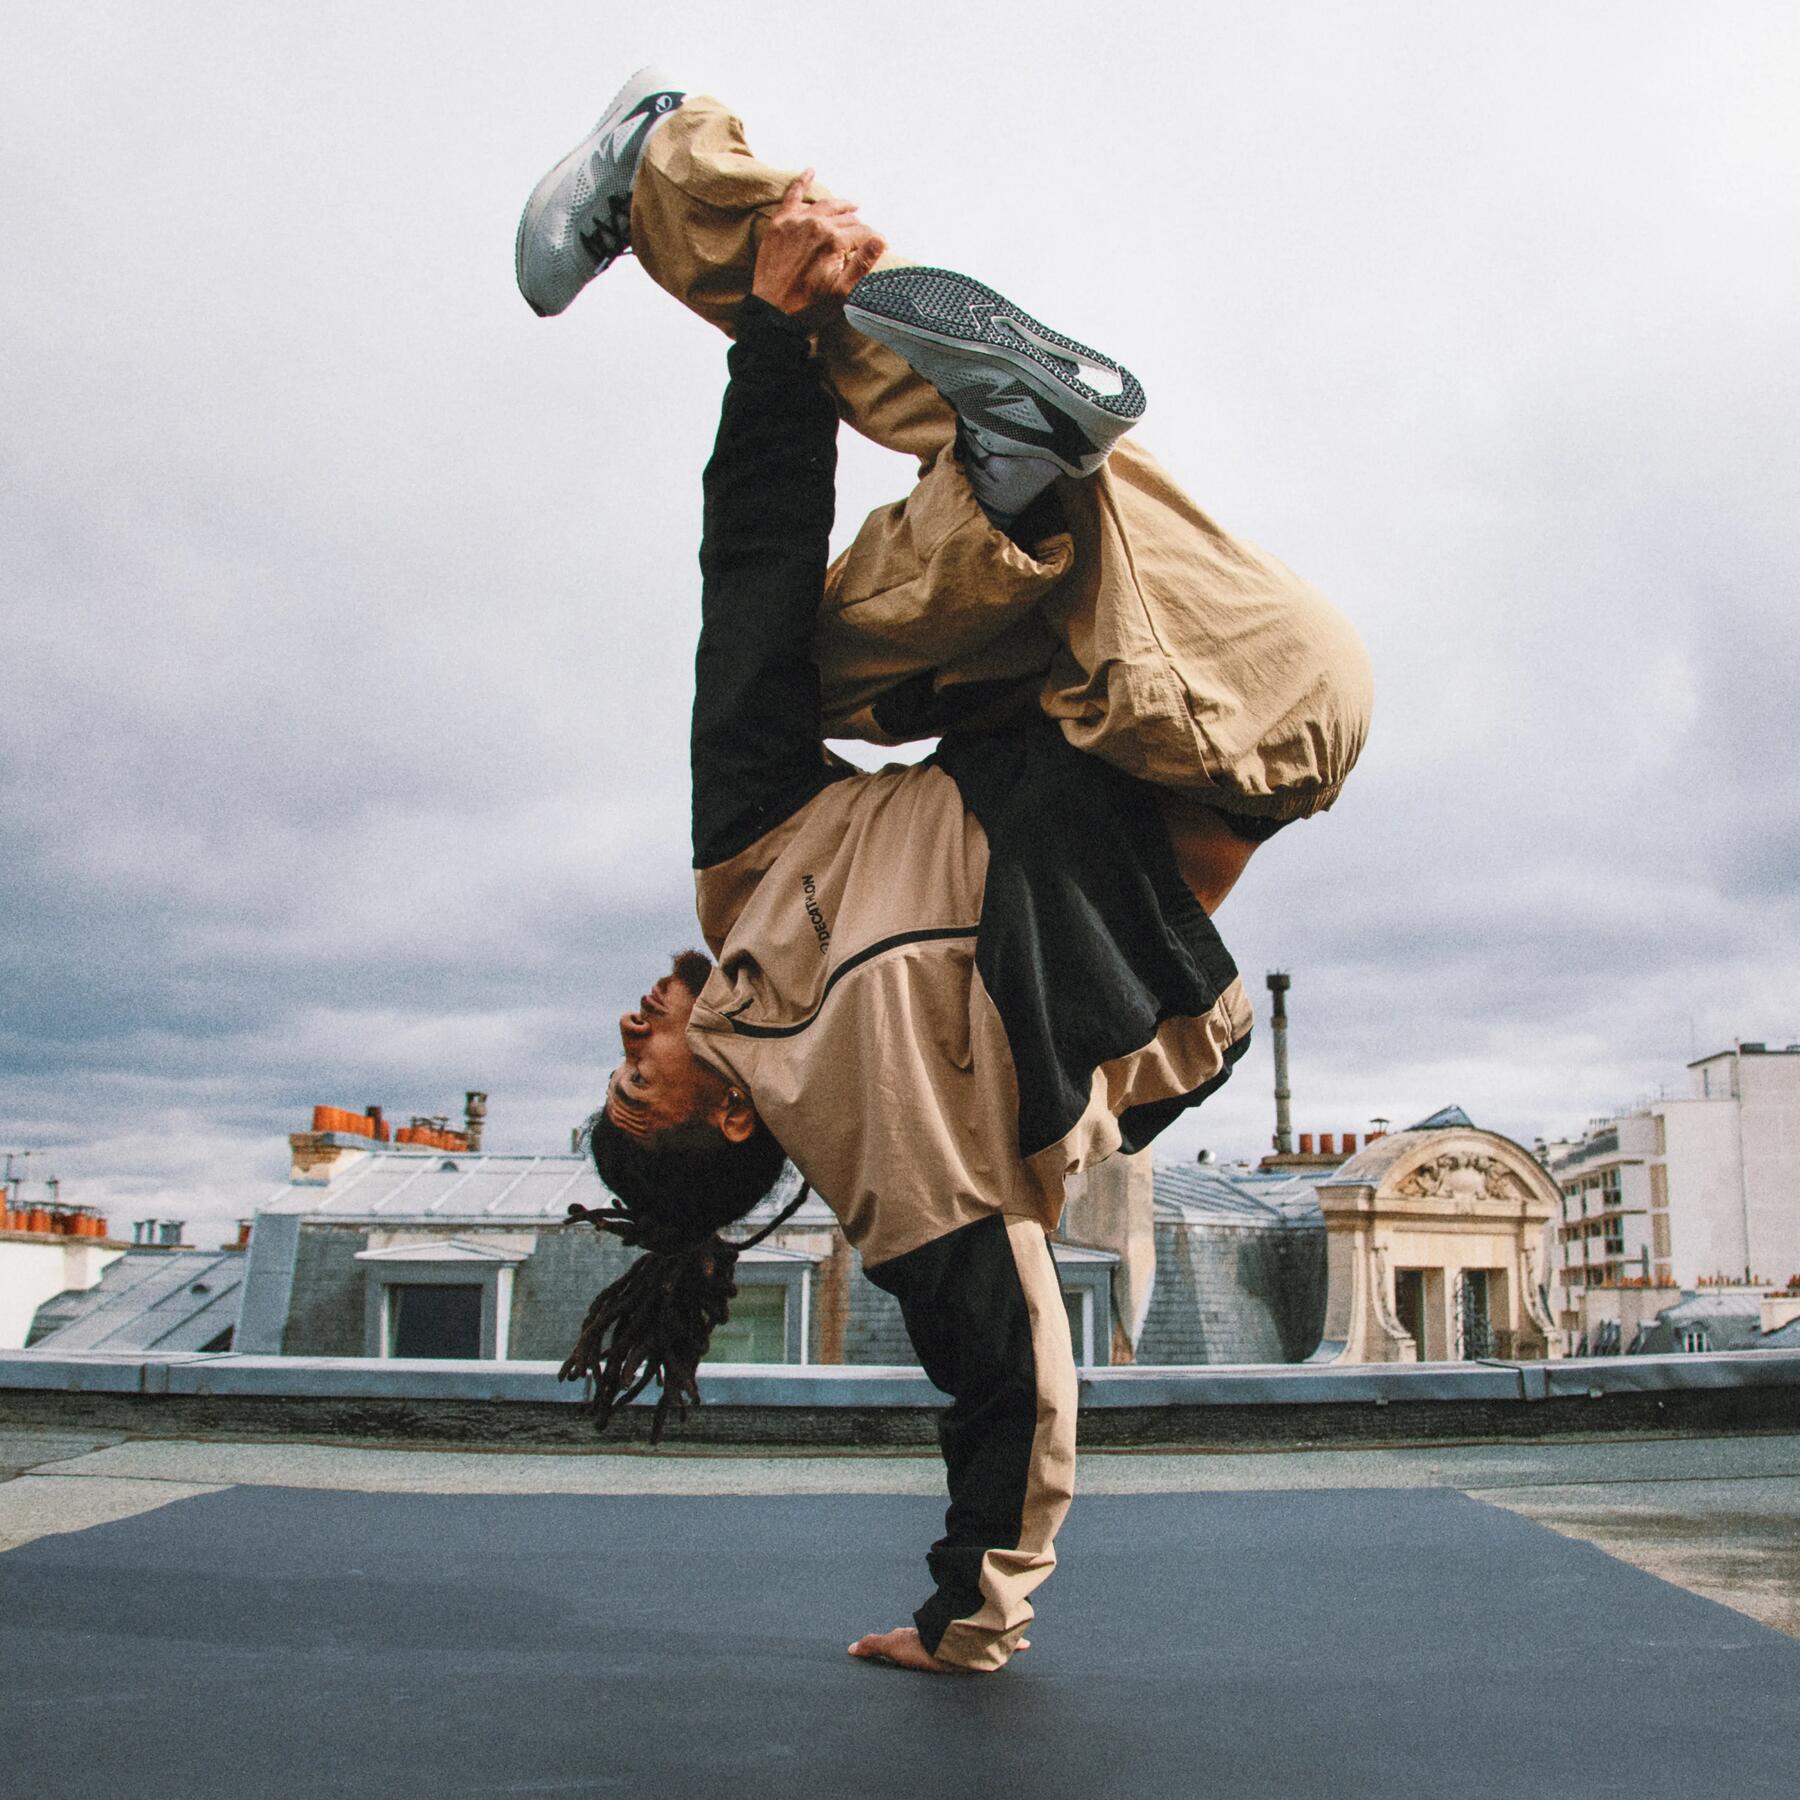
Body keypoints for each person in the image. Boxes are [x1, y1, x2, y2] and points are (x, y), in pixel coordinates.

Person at [516, 69, 1373, 1676]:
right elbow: (1016, 1379)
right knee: (829, 621)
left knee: (854, 608)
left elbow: (751, 607)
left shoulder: (778, 925)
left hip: (1213, 659)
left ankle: (981, 432)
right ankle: (682, 188)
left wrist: (781, 342)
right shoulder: (878, 1139)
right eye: (637, 1073)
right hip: (1214, 709)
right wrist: (971, 1620)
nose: (635, 1021)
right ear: (715, 1115)